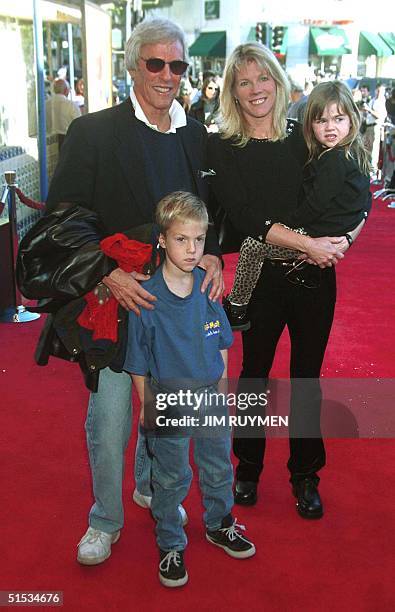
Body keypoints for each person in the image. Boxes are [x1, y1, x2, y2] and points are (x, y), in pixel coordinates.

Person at [25, 18, 223, 566]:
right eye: (155, 63)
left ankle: (152, 489)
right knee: (111, 416)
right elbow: (63, 221)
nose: (167, 75)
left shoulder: (194, 134)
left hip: (176, 304)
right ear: (133, 66)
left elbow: (210, 215)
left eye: (177, 65)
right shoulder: (94, 132)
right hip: (114, 301)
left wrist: (210, 251)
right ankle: (104, 520)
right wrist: (105, 271)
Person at [207, 43, 366, 518]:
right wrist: (309, 243)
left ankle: (305, 473)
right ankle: (248, 467)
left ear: (278, 82)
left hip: (316, 275)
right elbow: (245, 216)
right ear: (232, 92)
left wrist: (344, 241)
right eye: (244, 81)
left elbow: (353, 191)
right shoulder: (222, 145)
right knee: (254, 376)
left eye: (264, 78)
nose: (256, 89)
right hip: (262, 276)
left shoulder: (308, 135)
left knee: (306, 380)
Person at [124, 191, 255, 587]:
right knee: (172, 476)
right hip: (168, 399)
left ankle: (219, 522)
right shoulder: (147, 297)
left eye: (199, 239)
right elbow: (138, 359)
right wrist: (147, 404)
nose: (192, 249)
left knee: (218, 467)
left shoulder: (208, 287)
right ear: (161, 240)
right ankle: (170, 543)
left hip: (211, 398)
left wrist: (223, 394)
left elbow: (222, 343)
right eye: (181, 239)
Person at [223, 80, 371, 331]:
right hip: (329, 235)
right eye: (321, 121)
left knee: (251, 246)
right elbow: (365, 199)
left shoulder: (334, 159)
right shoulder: (351, 153)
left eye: (338, 119)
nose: (330, 127)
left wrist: (287, 224)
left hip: (317, 233)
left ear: (352, 120)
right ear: (309, 124)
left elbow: (316, 205)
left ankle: (237, 307)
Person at [45, 78, 81, 148]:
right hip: (67, 144)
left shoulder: (45, 105)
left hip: (49, 145)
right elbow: (79, 127)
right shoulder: (71, 106)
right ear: (66, 90)